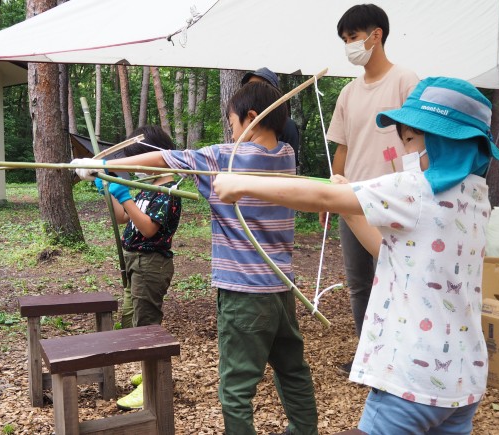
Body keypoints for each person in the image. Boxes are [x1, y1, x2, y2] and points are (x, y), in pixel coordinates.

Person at [214, 76, 499, 434]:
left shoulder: (415, 189)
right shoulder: (476, 197)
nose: (405, 151)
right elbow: (391, 252)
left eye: (411, 140)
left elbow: (320, 197)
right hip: (464, 380)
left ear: (443, 140)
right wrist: (351, 208)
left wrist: (241, 184)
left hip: (410, 379)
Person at [75, 82, 318, 435]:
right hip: (282, 291)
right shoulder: (286, 156)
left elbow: (162, 157)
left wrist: (103, 164)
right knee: (292, 369)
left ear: (252, 118)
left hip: (243, 294)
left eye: (233, 124)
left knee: (236, 388)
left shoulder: (225, 159)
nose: (231, 132)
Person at [325, 4, 420, 374]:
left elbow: (419, 141)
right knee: (359, 283)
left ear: (375, 34)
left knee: (399, 277)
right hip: (352, 199)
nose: (349, 45)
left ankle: (403, 355)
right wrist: (332, 195)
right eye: (345, 40)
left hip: (396, 199)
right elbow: (342, 148)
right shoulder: (348, 93)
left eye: (353, 37)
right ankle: (369, 356)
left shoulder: (405, 80)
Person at [74, 125, 182, 411]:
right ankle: (148, 370)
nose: (136, 170)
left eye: (139, 163)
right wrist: (110, 189)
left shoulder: (168, 191)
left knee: (147, 324)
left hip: (152, 264)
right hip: (135, 260)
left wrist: (125, 194)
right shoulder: (146, 188)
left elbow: (147, 229)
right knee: (132, 318)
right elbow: (124, 217)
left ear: (154, 158)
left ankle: (153, 383)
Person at [241, 67, 301, 171]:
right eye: (249, 87)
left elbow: (290, 166)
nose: (252, 91)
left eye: (259, 87)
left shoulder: (287, 125)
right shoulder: (243, 120)